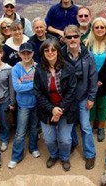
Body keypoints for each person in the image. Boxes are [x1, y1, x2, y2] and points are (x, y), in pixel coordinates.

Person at [33, 40, 79, 171]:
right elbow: (37, 91)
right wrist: (52, 109)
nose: (50, 52)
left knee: (65, 140)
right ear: (43, 53)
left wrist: (59, 110)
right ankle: (53, 155)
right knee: (49, 140)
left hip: (66, 109)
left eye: (53, 50)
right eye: (47, 50)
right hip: (46, 110)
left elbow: (72, 91)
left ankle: (64, 157)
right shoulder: (39, 69)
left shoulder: (69, 68)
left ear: (58, 51)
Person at [60, 25, 99, 170]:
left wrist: (91, 98)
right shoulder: (60, 55)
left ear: (79, 37)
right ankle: (73, 143)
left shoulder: (88, 56)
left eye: (75, 36)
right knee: (69, 125)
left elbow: (93, 78)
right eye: (69, 37)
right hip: (67, 99)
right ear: (64, 39)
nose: (72, 39)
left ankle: (90, 154)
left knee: (85, 126)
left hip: (83, 97)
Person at [8, 42, 41, 169]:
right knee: (21, 132)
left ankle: (33, 148)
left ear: (33, 53)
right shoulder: (15, 69)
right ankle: (16, 156)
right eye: (23, 53)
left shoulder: (38, 67)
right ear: (19, 54)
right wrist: (33, 84)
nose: (26, 55)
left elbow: (40, 86)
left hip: (36, 104)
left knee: (34, 128)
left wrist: (25, 85)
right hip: (23, 105)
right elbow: (17, 88)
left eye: (29, 53)